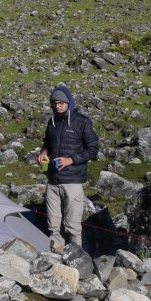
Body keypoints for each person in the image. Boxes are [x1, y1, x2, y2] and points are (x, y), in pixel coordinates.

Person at [37, 84, 99, 252]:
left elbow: (93, 149)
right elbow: (48, 143)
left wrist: (71, 160)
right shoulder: (52, 122)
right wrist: (44, 152)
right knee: (53, 223)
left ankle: (76, 256)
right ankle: (55, 253)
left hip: (73, 180)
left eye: (61, 103)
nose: (58, 106)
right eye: (55, 103)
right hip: (53, 180)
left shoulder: (82, 122)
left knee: (72, 224)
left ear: (68, 102)